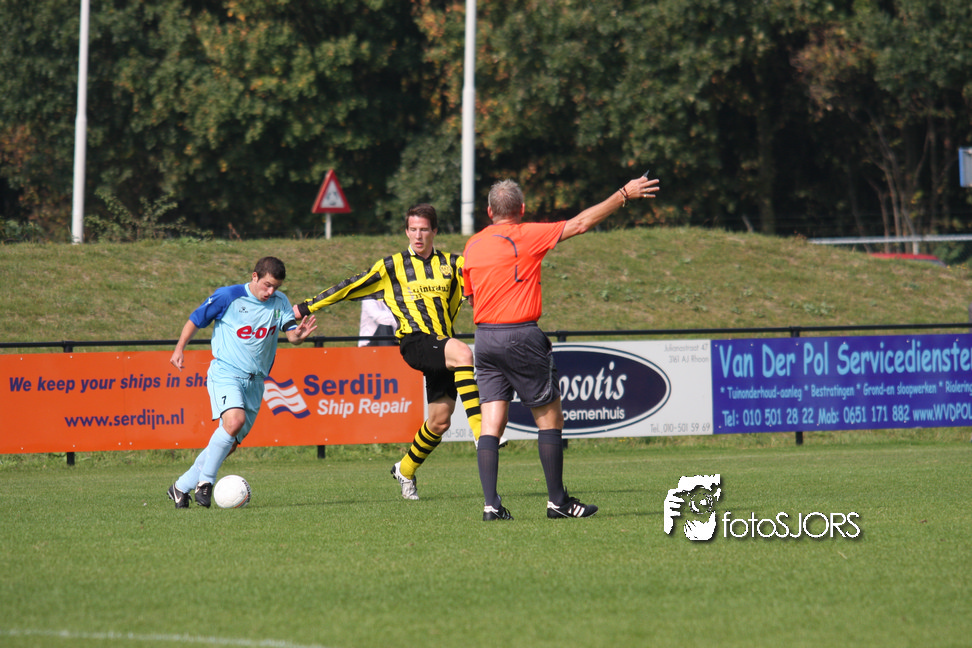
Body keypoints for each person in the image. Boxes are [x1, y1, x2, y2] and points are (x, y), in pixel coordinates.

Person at [462, 174, 659, 521]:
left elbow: (472, 296)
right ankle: (558, 502)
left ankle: (491, 505)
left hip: (485, 338)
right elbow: (581, 223)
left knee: (491, 423)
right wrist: (623, 194)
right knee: (549, 418)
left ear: (490, 211)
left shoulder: (473, 245)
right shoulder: (527, 234)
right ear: (522, 210)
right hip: (520, 335)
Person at [293, 203, 483, 501]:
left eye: (424, 229)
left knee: (440, 421)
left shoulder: (452, 263)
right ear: (406, 231)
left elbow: (480, 284)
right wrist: (305, 307)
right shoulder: (392, 266)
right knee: (463, 353)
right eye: (413, 229)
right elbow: (349, 286)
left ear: (434, 231)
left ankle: (404, 470)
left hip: (442, 344)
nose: (418, 235)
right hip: (415, 341)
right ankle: (482, 434)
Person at [166, 256, 317, 508]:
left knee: (229, 444)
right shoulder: (229, 296)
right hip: (227, 372)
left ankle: (180, 487)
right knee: (234, 422)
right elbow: (196, 319)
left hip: (256, 383)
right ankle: (205, 483)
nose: (271, 292)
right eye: (267, 285)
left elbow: (291, 335)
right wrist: (179, 348)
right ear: (254, 276)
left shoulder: (280, 302)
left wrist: (298, 337)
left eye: (276, 287)